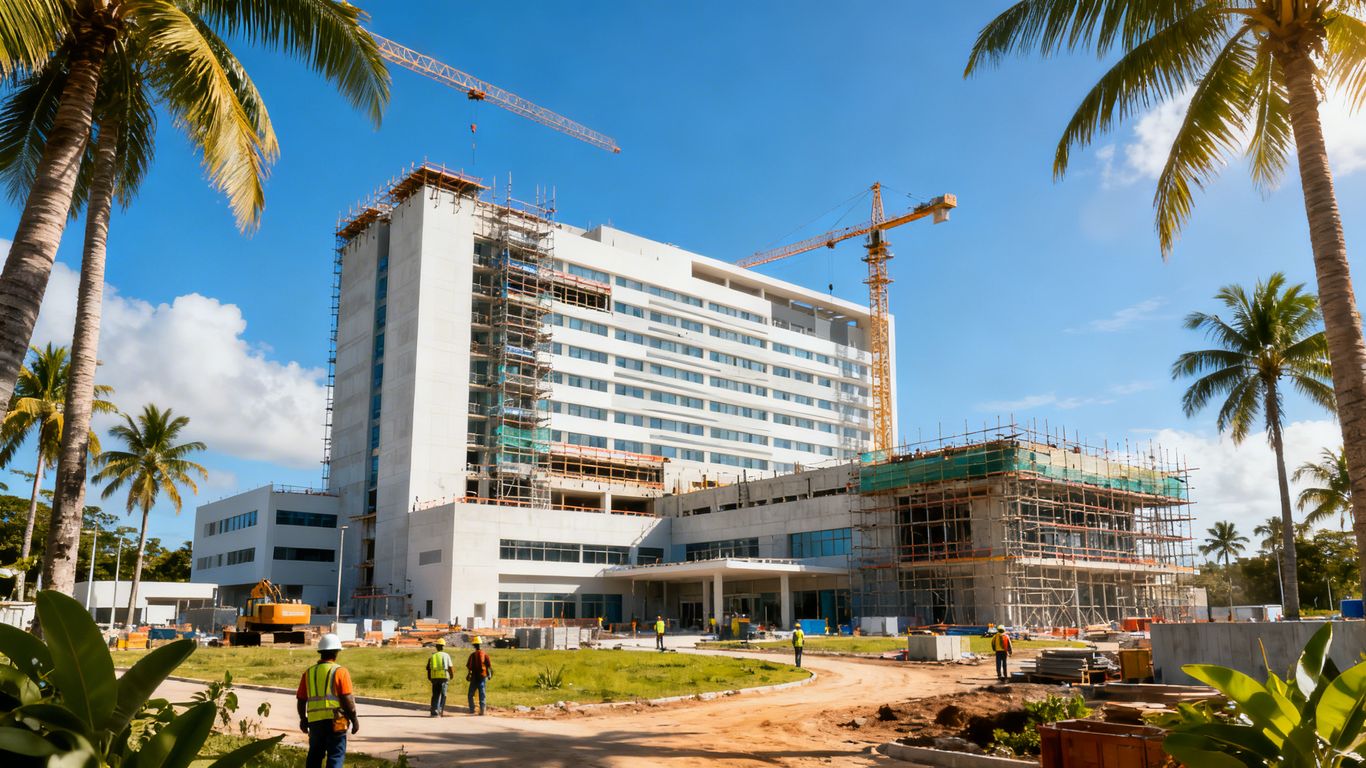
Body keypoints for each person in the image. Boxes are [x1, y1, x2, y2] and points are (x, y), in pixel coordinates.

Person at [296, 633, 358, 768]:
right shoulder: (341, 672)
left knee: (315, 755)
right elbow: (347, 700)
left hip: (315, 723)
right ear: (337, 652)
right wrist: (354, 719)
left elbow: (301, 699)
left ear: (320, 652)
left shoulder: (309, 673)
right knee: (335, 755)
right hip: (337, 721)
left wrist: (303, 719)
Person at [466, 636, 493, 715]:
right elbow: (489, 666)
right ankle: (482, 710)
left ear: (474, 645)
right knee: (482, 693)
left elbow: (469, 667)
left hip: (475, 677)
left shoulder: (472, 655)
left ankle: (472, 709)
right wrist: (489, 674)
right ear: (480, 645)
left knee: (471, 694)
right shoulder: (484, 654)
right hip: (482, 676)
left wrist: (468, 675)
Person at [426, 638, 453, 717]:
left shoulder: (432, 656)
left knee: (435, 694)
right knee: (443, 694)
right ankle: (440, 710)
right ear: (443, 647)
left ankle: (434, 710)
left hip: (434, 678)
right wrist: (451, 675)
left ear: (436, 647)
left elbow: (428, 668)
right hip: (444, 677)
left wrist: (430, 678)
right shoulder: (446, 655)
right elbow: (450, 667)